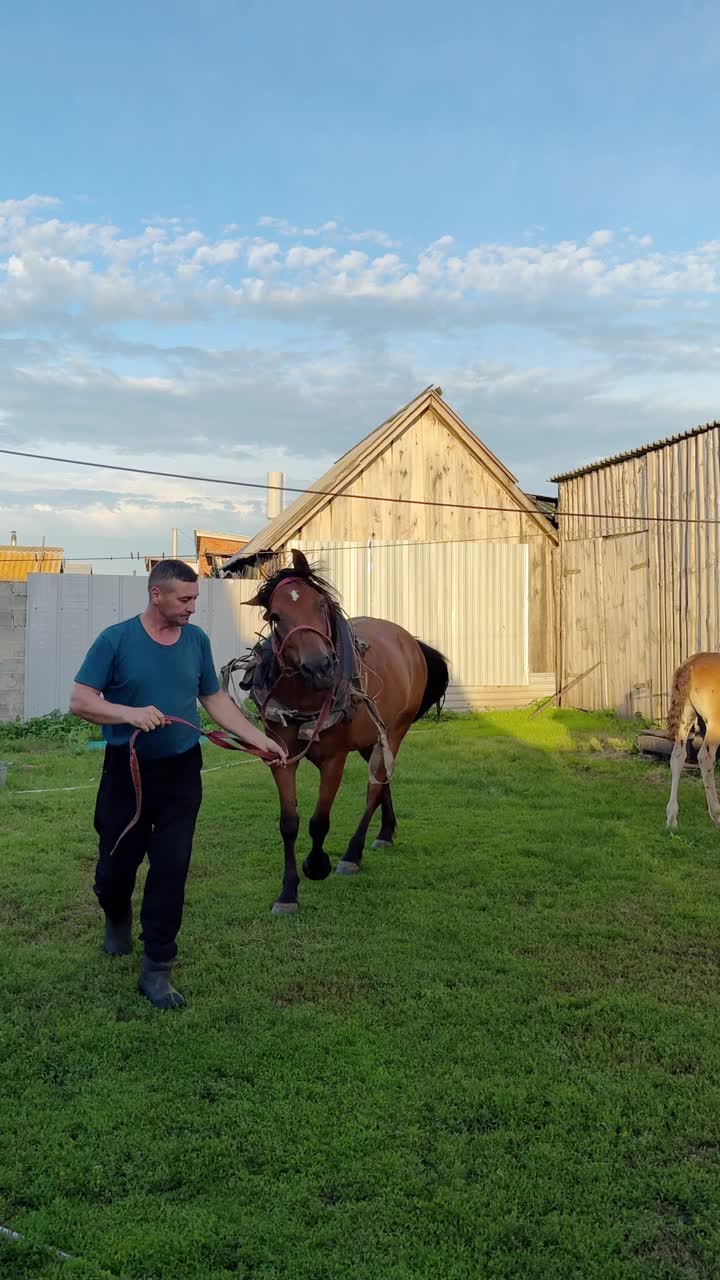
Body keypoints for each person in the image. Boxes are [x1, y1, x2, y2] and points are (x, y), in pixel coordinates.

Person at [69, 559, 287, 1010]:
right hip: (125, 774)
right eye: (184, 600)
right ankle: (116, 913)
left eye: (195, 600)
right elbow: (81, 700)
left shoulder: (196, 641)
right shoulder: (116, 640)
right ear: (156, 595)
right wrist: (129, 713)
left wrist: (258, 738)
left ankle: (157, 968)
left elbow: (213, 697)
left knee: (171, 868)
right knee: (114, 870)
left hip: (181, 772)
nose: (192, 608)